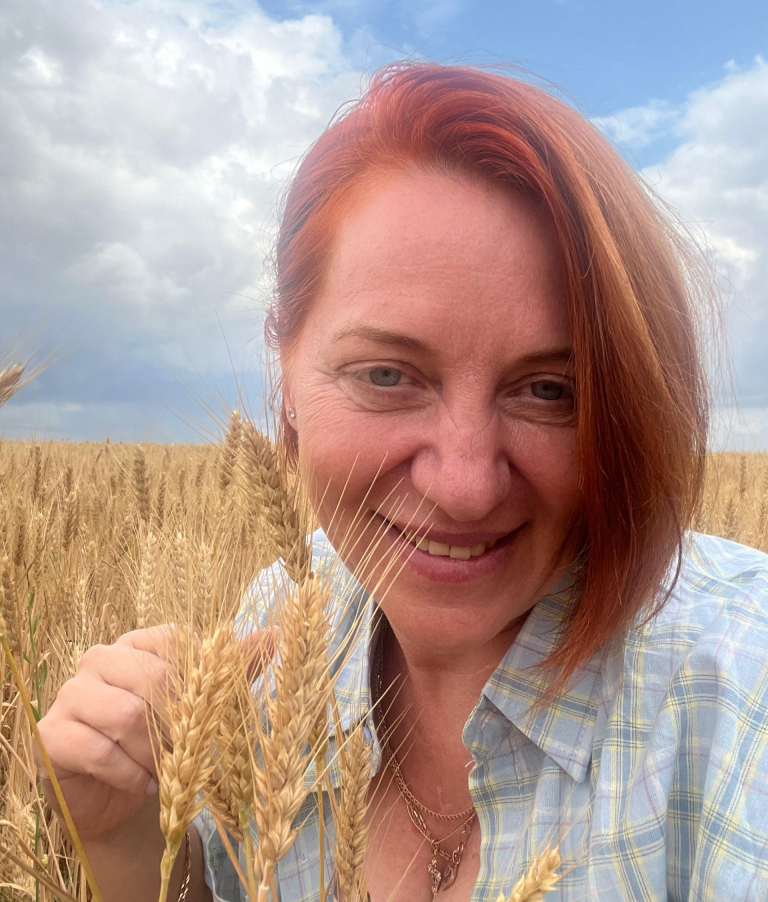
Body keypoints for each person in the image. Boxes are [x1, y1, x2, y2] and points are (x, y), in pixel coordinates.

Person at [38, 63, 768, 902]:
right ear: (284, 372)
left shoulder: (740, 691)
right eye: (387, 375)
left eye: (549, 391)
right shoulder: (285, 614)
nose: (464, 486)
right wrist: (123, 840)